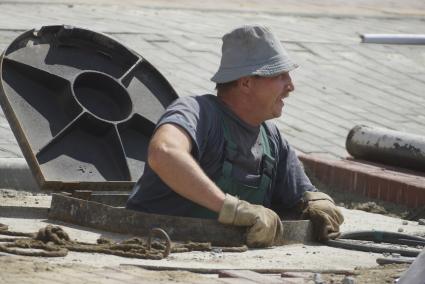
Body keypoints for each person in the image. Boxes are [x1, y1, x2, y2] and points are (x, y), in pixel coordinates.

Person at [126, 24, 343, 248]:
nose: (291, 86)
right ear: (246, 82)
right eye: (280, 75)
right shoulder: (197, 112)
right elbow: (163, 153)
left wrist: (319, 204)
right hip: (152, 243)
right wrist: (230, 208)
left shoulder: (272, 139)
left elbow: (302, 195)